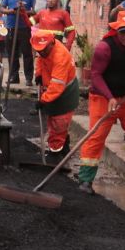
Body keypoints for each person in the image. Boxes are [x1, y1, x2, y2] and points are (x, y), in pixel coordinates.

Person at [77, 10, 125, 194]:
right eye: (123, 31)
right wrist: (110, 97)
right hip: (102, 96)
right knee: (96, 136)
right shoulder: (104, 48)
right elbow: (95, 76)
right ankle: (85, 179)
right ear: (116, 30)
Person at [31, 29, 79, 161]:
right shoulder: (44, 50)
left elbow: (57, 84)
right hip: (52, 90)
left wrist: (43, 100)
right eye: (39, 50)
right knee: (53, 121)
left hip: (65, 93)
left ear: (52, 43)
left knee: (59, 123)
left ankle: (55, 153)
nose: (41, 52)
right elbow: (40, 60)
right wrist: (39, 74)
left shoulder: (60, 56)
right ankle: (64, 146)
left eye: (43, 50)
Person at [0, 0, 35, 85]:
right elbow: (1, 8)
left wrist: (23, 11)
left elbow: (34, 11)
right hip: (11, 28)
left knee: (27, 54)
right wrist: (11, 11)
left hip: (25, 28)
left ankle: (28, 78)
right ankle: (14, 77)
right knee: (12, 54)